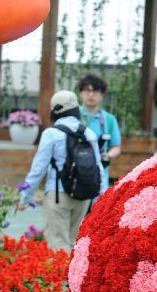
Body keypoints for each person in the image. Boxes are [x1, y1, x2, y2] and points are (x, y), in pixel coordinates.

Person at [19, 91, 103, 252]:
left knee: (58, 245)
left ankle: (60, 278)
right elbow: (98, 168)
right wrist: (99, 197)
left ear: (55, 111)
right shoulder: (88, 133)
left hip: (59, 195)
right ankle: (73, 276)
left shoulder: (51, 134)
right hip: (83, 196)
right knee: (74, 244)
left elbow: (38, 170)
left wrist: (25, 197)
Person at [77, 74, 121, 192]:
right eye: (87, 90)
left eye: (95, 91)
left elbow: (116, 147)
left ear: (102, 95)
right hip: (76, 173)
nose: (91, 95)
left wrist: (108, 155)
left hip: (100, 176)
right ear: (80, 93)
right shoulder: (73, 116)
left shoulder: (109, 119)